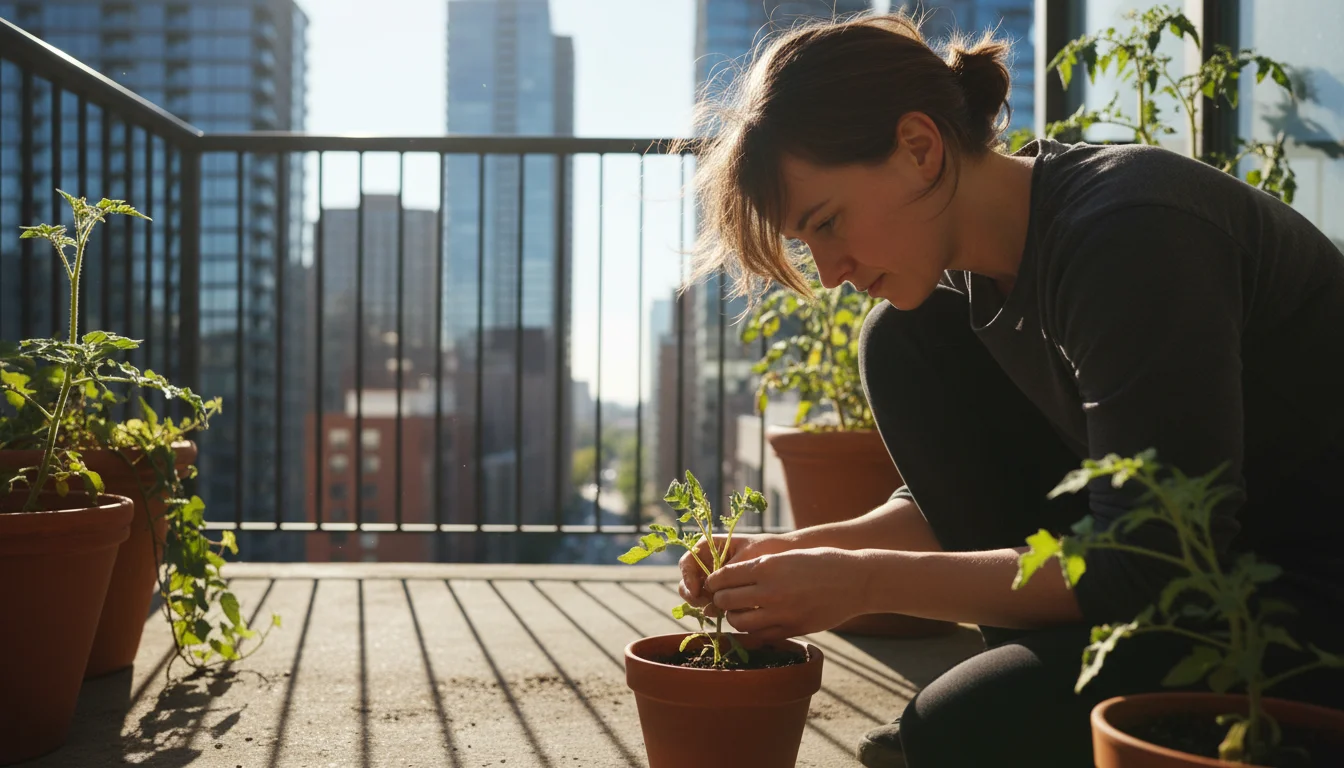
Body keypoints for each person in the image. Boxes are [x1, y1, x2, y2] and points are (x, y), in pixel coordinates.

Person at [673, 11, 1344, 768]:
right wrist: (795, 555)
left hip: (1306, 609)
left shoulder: (1131, 233)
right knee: (902, 341)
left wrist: (859, 581)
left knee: (957, 733)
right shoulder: (972, 288)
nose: (830, 273)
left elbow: (1149, 562)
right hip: (1191, 591)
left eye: (828, 223)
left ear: (920, 148)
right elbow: (957, 509)